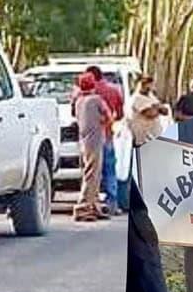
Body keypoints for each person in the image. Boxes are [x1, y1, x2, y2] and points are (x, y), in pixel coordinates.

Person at [72, 72, 112, 222]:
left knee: (92, 172)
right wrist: (104, 124)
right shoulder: (96, 100)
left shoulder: (78, 101)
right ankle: (82, 207)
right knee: (92, 174)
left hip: (84, 140)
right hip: (95, 140)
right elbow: (109, 117)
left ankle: (94, 205)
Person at [86, 65, 124, 216]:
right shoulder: (114, 91)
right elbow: (120, 114)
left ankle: (92, 203)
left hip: (90, 139)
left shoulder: (88, 94)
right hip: (107, 135)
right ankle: (112, 202)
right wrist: (109, 122)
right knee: (110, 170)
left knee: (92, 172)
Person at [128, 76, 169, 147]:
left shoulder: (151, 96)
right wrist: (158, 108)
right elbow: (150, 113)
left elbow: (165, 111)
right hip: (143, 140)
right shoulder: (137, 98)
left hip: (153, 137)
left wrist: (157, 108)